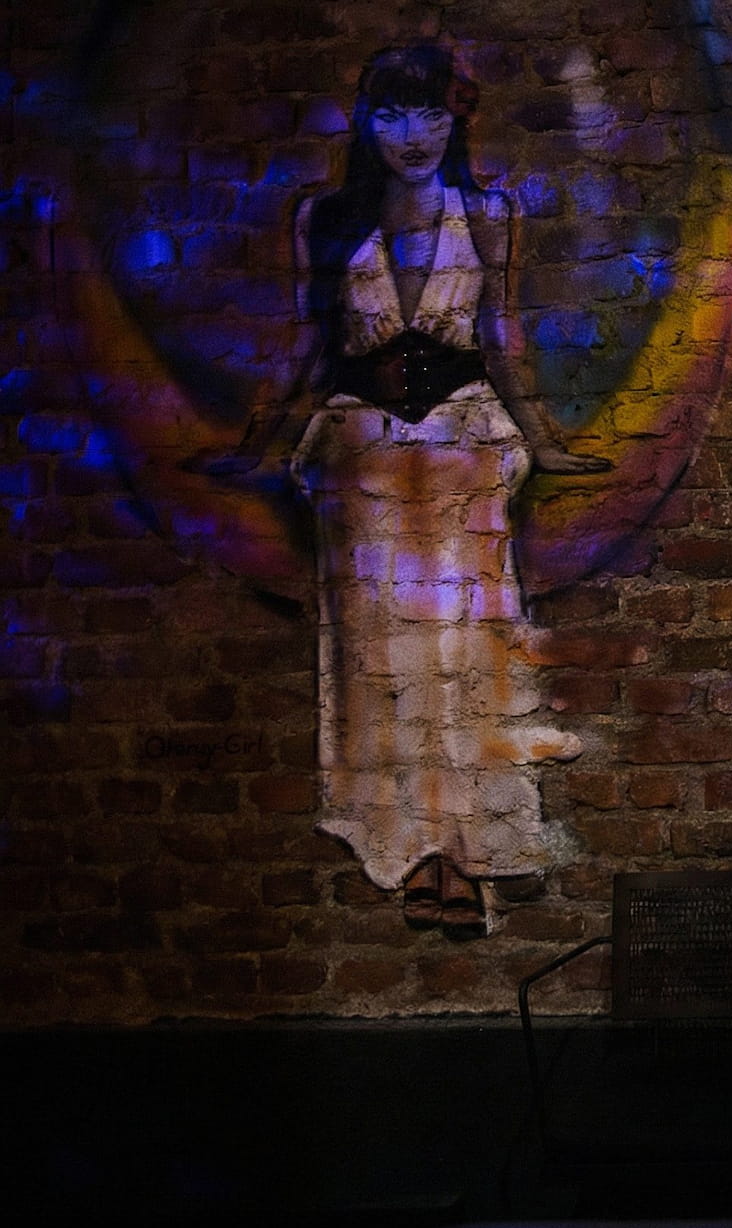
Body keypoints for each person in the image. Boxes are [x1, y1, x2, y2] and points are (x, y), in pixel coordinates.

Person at [194, 44, 608, 934]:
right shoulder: (326, 216)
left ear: (455, 117)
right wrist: (260, 447)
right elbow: (306, 345)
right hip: (362, 446)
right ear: (366, 122)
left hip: (464, 436)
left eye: (428, 112)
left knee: (464, 646)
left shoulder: (487, 211)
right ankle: (414, 849)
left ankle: (464, 853)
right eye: (391, 114)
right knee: (380, 654)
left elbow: (502, 337)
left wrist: (545, 443)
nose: (411, 134)